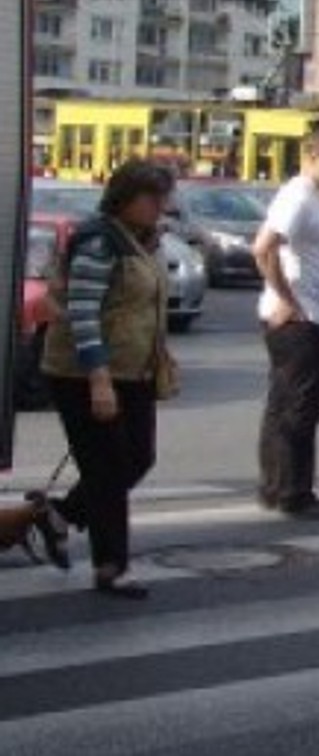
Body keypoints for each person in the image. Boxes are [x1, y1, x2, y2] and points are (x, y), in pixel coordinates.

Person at [40, 159, 178, 597]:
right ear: (125, 198)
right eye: (152, 197)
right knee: (107, 468)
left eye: (163, 197)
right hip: (84, 372)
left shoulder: (140, 240)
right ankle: (111, 567)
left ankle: (58, 515)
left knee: (138, 457)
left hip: (133, 371)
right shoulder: (100, 242)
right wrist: (99, 380)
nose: (160, 206)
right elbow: (83, 313)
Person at [253, 124, 319, 521]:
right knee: (300, 406)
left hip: (304, 315)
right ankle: (294, 492)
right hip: (299, 319)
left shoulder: (311, 197)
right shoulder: (298, 195)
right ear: (312, 157)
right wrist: (286, 298)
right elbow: (263, 247)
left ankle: (277, 486)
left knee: (285, 403)